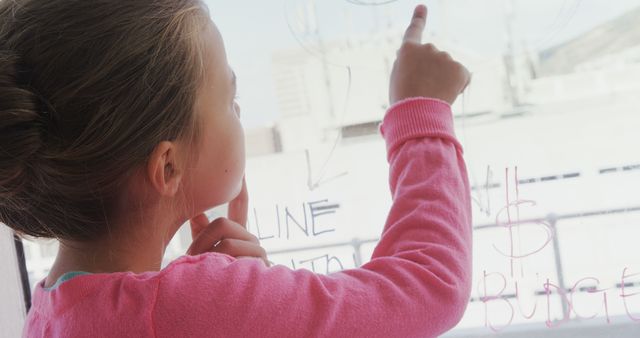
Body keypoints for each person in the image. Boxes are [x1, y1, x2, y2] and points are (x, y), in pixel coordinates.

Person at [0, 1, 471, 336]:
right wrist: (420, 112)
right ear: (167, 166)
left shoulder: (48, 314)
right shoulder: (185, 309)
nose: (241, 113)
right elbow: (430, 285)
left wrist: (234, 308)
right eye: (230, 99)